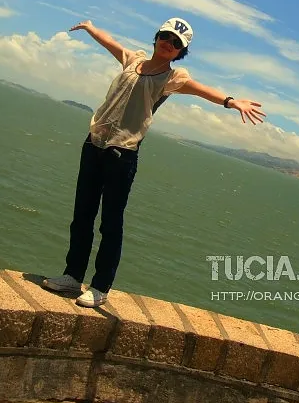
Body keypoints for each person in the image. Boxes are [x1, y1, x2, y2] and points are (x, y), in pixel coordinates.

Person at [42, 17, 266, 307]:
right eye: (166, 36)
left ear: (181, 51)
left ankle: (100, 287)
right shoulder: (133, 60)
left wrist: (231, 101)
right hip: (94, 144)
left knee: (110, 224)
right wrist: (91, 27)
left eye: (176, 43)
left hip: (122, 154)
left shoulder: (172, 78)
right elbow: (111, 42)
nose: (169, 44)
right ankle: (73, 276)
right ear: (157, 36)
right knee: (82, 216)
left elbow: (201, 89)